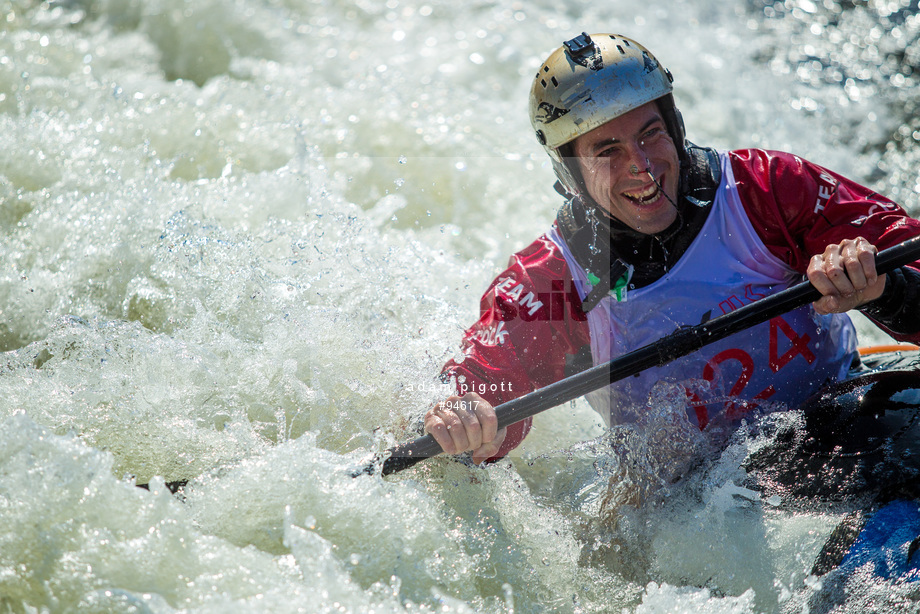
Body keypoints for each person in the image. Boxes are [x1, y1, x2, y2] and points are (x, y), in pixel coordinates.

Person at [423, 32, 920, 466]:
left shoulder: (767, 189)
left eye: (650, 134)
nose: (640, 165)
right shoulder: (551, 279)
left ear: (676, 129)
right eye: (608, 151)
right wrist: (464, 416)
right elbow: (484, 380)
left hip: (838, 417)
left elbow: (909, 258)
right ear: (571, 175)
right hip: (696, 499)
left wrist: (884, 288)